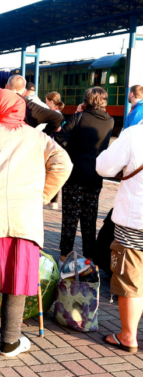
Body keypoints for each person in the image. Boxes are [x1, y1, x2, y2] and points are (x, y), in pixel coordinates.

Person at [0, 88, 72, 357]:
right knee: (18, 275)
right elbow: (64, 164)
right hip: (25, 213)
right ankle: (11, 341)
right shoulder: (38, 137)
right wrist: (43, 194)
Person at [96, 122, 143, 352]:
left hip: (136, 219)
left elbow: (104, 168)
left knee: (131, 279)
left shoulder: (135, 134)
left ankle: (128, 336)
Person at [53, 87, 114, 262]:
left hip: (75, 176)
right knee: (90, 219)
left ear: (86, 101)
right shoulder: (109, 121)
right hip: (95, 177)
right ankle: (90, 259)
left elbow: (60, 140)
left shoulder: (78, 117)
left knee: (70, 219)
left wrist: (77, 113)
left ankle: (64, 256)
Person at [44, 91, 66, 210]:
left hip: (53, 145)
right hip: (55, 144)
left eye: (47, 101)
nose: (46, 104)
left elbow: (56, 129)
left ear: (51, 102)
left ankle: (53, 200)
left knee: (52, 170)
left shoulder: (55, 115)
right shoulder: (58, 113)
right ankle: (52, 200)